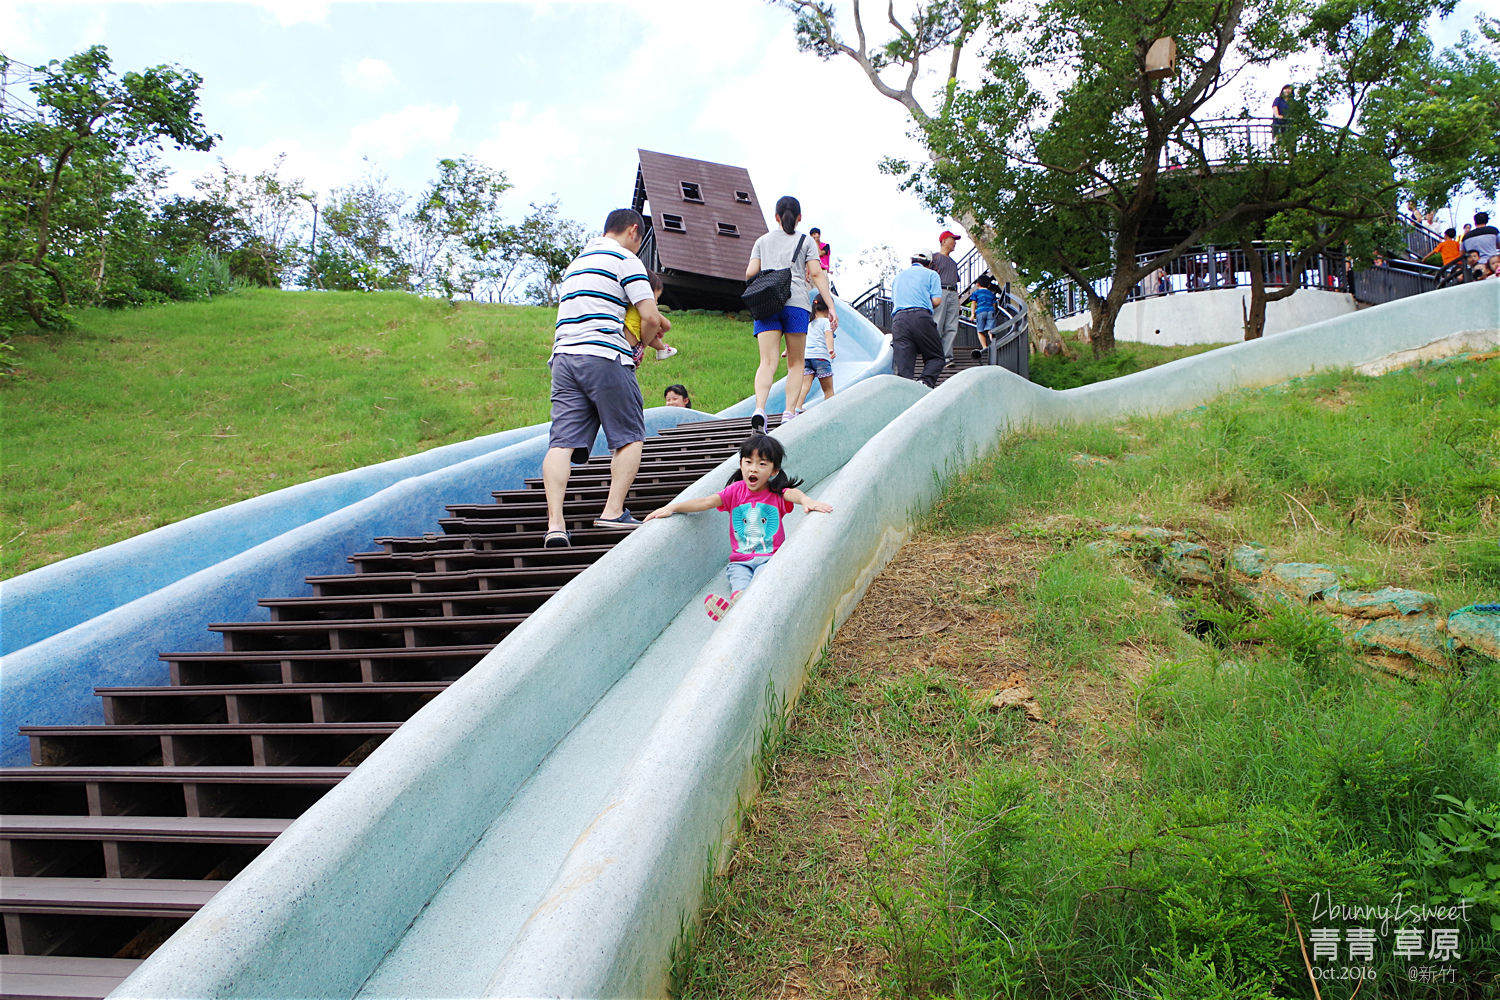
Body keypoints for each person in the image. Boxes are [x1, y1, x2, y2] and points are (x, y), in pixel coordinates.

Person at [542, 208, 665, 548]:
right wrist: (639, 346)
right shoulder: (625, 260)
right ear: (633, 230)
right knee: (629, 435)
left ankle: (555, 524)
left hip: (564, 356)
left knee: (561, 443)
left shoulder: (576, 263)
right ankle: (612, 512)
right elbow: (650, 316)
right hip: (604, 353)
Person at [644, 432, 832, 621]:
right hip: (740, 561)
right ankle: (736, 605)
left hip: (769, 558)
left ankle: (739, 609)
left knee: (761, 582)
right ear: (741, 464)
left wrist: (807, 500)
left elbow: (792, 494)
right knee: (739, 585)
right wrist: (672, 507)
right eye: (748, 462)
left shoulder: (775, 493)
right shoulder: (735, 491)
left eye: (762, 464)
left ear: (774, 471)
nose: (754, 469)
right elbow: (706, 502)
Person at [745, 195, 838, 432]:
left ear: (776, 217)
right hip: (796, 302)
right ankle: (788, 414)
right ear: (799, 218)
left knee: (767, 362)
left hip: (767, 303)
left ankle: (760, 409)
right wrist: (831, 306)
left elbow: (750, 273)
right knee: (796, 363)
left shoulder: (762, 241)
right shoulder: (807, 241)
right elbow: (817, 274)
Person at [889, 251, 945, 387]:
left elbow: (895, 300)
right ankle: (924, 382)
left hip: (899, 320)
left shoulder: (898, 277)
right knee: (936, 357)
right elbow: (937, 301)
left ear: (912, 261)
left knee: (904, 369)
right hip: (920, 317)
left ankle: (904, 395)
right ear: (930, 263)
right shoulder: (932, 274)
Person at [789, 297, 836, 415]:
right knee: (828, 389)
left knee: (805, 384)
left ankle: (798, 407)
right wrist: (831, 349)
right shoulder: (825, 322)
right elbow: (828, 336)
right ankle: (830, 410)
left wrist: (787, 351)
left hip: (806, 358)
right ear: (828, 309)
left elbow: (798, 337)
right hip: (821, 358)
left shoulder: (808, 323)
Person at [625, 272, 677, 362]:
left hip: (618, 343)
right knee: (650, 330)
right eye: (656, 297)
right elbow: (667, 325)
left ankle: (662, 349)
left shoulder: (630, 303)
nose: (656, 302)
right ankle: (662, 349)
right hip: (631, 348)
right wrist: (660, 329)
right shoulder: (647, 309)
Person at [931, 229, 963, 362]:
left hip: (953, 293)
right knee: (937, 323)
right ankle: (934, 355)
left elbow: (956, 283)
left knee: (951, 326)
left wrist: (959, 301)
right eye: (952, 239)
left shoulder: (953, 263)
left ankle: (947, 357)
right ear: (944, 241)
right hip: (939, 291)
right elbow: (927, 278)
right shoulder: (934, 258)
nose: (955, 242)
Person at [967, 273, 997, 354]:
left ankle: (985, 347)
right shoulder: (991, 293)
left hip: (980, 311)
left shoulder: (976, 293)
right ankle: (994, 345)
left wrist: (972, 314)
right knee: (991, 330)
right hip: (990, 311)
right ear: (989, 285)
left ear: (977, 284)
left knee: (980, 330)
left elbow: (973, 303)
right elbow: (994, 305)